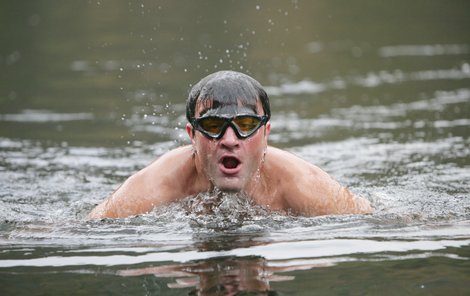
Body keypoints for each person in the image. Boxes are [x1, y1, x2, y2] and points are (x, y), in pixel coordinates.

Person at [88, 70, 372, 219]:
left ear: (266, 133)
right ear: (192, 135)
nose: (229, 140)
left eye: (246, 126)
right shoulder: (154, 189)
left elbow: (377, 221)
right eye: (213, 127)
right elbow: (86, 229)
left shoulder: (303, 187)